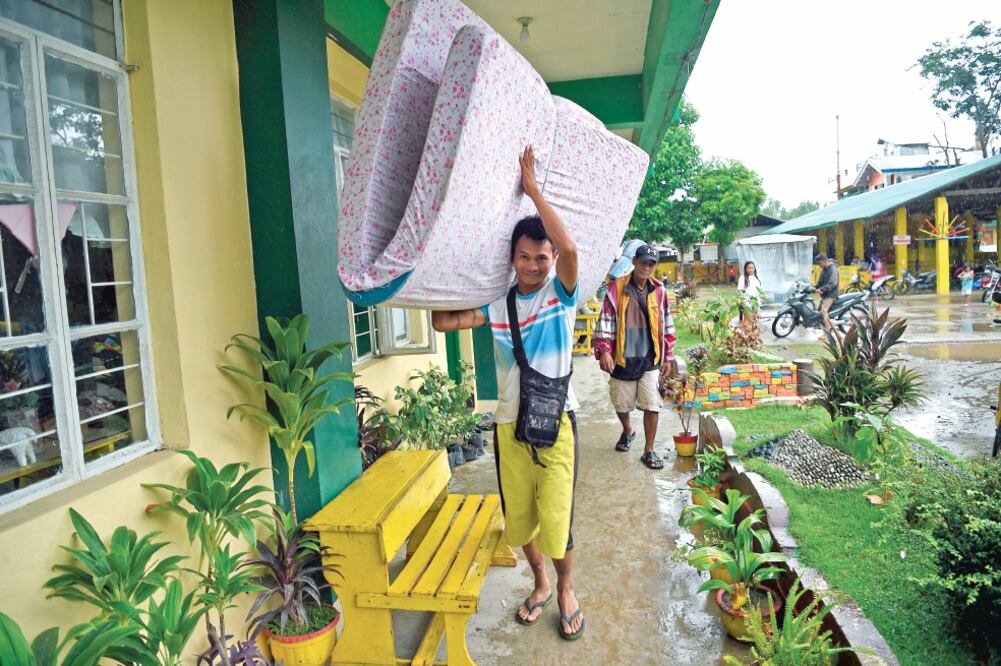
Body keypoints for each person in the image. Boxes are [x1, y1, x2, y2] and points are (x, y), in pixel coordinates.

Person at [431, 146, 584, 640]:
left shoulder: (561, 296)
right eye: (525, 256)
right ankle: (539, 582)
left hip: (557, 423)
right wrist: (438, 267)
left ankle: (566, 588)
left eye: (542, 257)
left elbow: (574, 252)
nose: (534, 265)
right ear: (512, 258)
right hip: (508, 427)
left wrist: (533, 189)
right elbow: (443, 320)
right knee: (520, 519)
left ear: (551, 258)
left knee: (557, 516)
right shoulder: (499, 305)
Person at [592, 244, 677, 470]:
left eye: (651, 263)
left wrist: (667, 356)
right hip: (623, 357)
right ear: (635, 262)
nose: (646, 267)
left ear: (654, 267)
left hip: (649, 358)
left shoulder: (659, 291)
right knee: (621, 403)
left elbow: (667, 322)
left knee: (652, 404)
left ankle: (648, 450)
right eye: (643, 262)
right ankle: (628, 429)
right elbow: (606, 320)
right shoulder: (616, 288)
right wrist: (604, 351)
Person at [814, 254, 839, 334]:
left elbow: (833, 283)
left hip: (831, 295)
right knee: (818, 311)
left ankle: (828, 332)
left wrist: (822, 289)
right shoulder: (824, 270)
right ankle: (823, 326)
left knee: (823, 311)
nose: (819, 265)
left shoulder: (832, 269)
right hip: (825, 294)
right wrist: (813, 288)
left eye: (819, 263)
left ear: (824, 261)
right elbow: (820, 283)